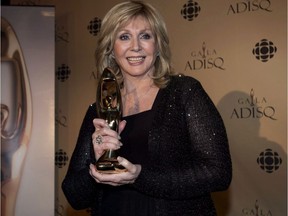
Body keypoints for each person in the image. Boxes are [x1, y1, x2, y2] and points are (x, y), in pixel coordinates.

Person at [62, 1, 232, 216]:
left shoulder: (184, 92)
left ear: (158, 45)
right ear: (110, 48)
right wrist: (96, 161)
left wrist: (139, 176)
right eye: (124, 37)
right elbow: (74, 196)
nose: (136, 46)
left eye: (145, 36)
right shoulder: (97, 110)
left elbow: (218, 173)